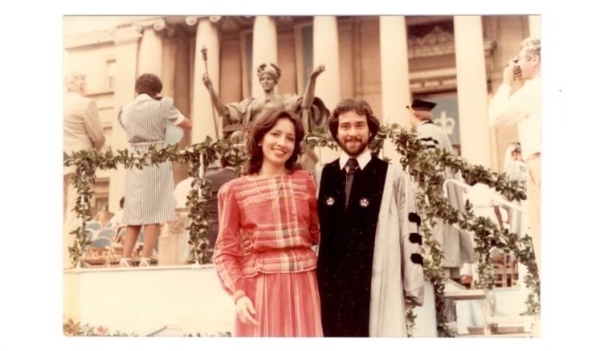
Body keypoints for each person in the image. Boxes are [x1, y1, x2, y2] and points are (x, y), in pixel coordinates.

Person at [314, 98, 424, 337]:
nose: (352, 133)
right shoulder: (321, 176)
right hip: (328, 287)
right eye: (345, 126)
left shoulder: (392, 177)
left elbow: (410, 231)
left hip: (377, 284)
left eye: (359, 125)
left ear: (371, 129)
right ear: (335, 131)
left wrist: (412, 284)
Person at [212, 109, 322, 337]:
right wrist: (239, 294)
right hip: (259, 288)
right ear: (260, 138)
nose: (282, 143)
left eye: (290, 138)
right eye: (275, 134)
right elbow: (224, 251)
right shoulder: (235, 190)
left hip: (304, 283)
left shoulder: (306, 182)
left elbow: (319, 234)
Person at [117, 73, 192, 267]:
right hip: (156, 155)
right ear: (156, 90)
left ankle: (125, 257)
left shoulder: (124, 110)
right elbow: (187, 124)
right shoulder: (162, 105)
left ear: (137, 89)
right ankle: (146, 258)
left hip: (134, 158)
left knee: (134, 207)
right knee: (155, 208)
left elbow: (127, 127)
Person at [203, 63, 328, 171]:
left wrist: (312, 79)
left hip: (275, 135)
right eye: (263, 79)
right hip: (253, 136)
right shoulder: (251, 103)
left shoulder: (285, 100)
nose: (265, 81)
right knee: (236, 136)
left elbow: (305, 104)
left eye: (268, 78)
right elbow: (224, 112)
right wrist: (210, 89)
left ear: (275, 81)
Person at [488, 37, 541, 274]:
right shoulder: (536, 88)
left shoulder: (536, 88)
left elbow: (496, 118)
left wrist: (506, 83)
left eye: (519, 60)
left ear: (535, 60)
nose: (515, 65)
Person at [407, 98, 474, 284]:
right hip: (447, 190)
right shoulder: (440, 132)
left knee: (436, 238)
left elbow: (427, 167)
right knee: (447, 239)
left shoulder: (424, 132)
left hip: (434, 193)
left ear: (413, 113)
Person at [63, 71, 106, 269]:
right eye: (85, 83)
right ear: (80, 85)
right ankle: (69, 259)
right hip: (79, 164)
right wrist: (92, 151)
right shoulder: (85, 104)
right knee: (75, 211)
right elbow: (98, 136)